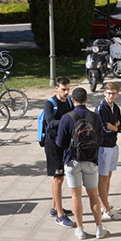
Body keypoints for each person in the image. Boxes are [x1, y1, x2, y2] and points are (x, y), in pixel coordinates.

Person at [55, 87, 108, 240]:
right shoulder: (95, 117)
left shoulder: (67, 117)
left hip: (72, 162)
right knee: (93, 195)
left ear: (73, 101)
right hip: (91, 161)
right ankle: (99, 228)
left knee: (75, 196)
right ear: (86, 100)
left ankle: (80, 229)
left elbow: (60, 142)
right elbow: (101, 140)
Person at [41, 77, 75, 228]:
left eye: (68, 89)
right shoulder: (50, 104)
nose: (66, 92)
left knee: (60, 177)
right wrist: (66, 121)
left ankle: (55, 208)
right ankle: (60, 216)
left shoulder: (68, 102)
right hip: (52, 144)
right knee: (58, 178)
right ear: (56, 88)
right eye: (63, 89)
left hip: (64, 143)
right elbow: (50, 122)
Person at [95, 82, 121, 221]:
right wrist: (114, 127)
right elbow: (104, 128)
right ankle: (106, 210)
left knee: (109, 176)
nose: (111, 95)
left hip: (113, 145)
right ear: (104, 93)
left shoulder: (116, 107)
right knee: (103, 178)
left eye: (113, 93)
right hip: (103, 147)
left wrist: (114, 127)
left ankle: (104, 203)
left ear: (117, 94)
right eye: (108, 93)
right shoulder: (101, 108)